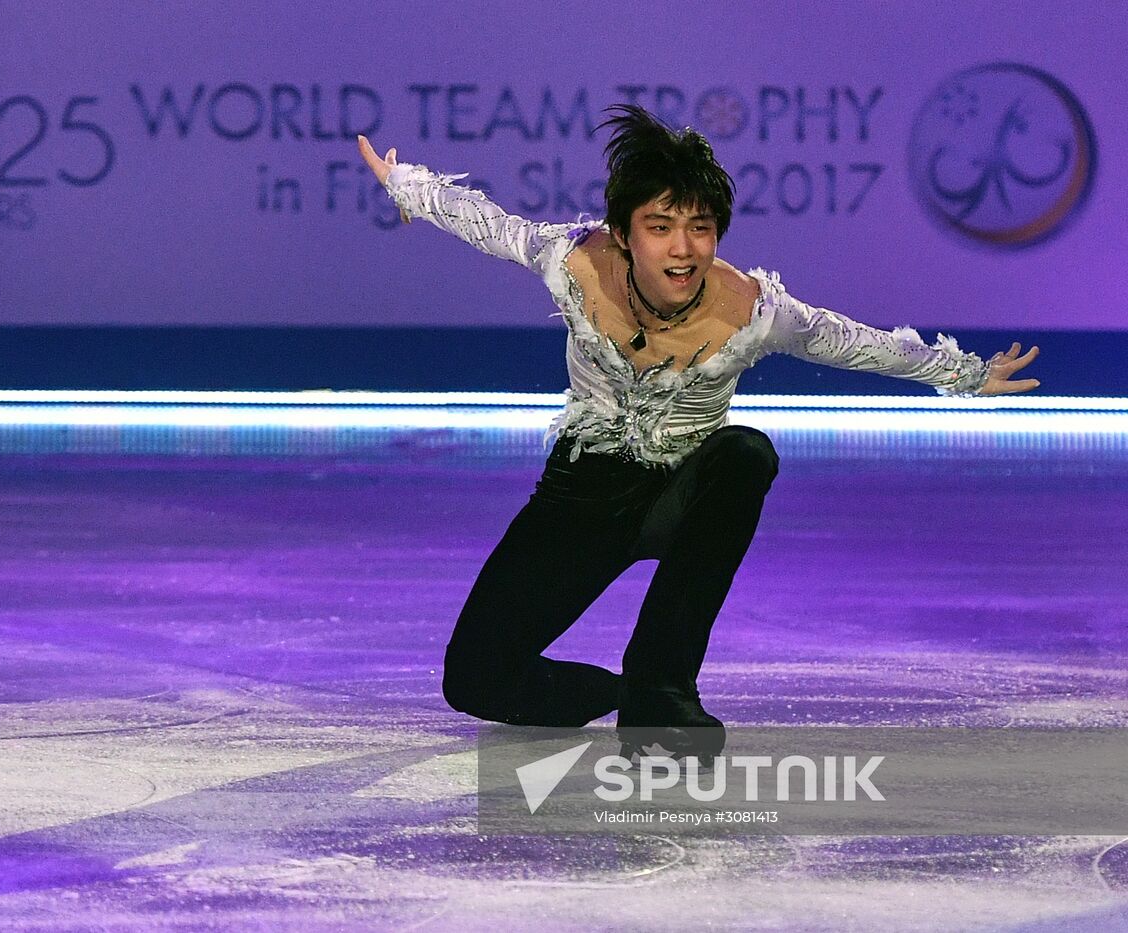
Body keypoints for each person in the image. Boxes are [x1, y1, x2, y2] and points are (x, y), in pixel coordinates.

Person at [356, 105, 1041, 763]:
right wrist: (406, 184)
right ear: (622, 233)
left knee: (745, 454)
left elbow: (856, 343)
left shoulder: (750, 309)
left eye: (701, 227)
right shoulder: (572, 261)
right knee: (474, 678)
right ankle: (621, 691)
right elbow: (488, 223)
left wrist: (965, 374)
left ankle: (658, 691)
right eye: (661, 226)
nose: (684, 249)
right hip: (579, 501)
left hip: (682, 496)